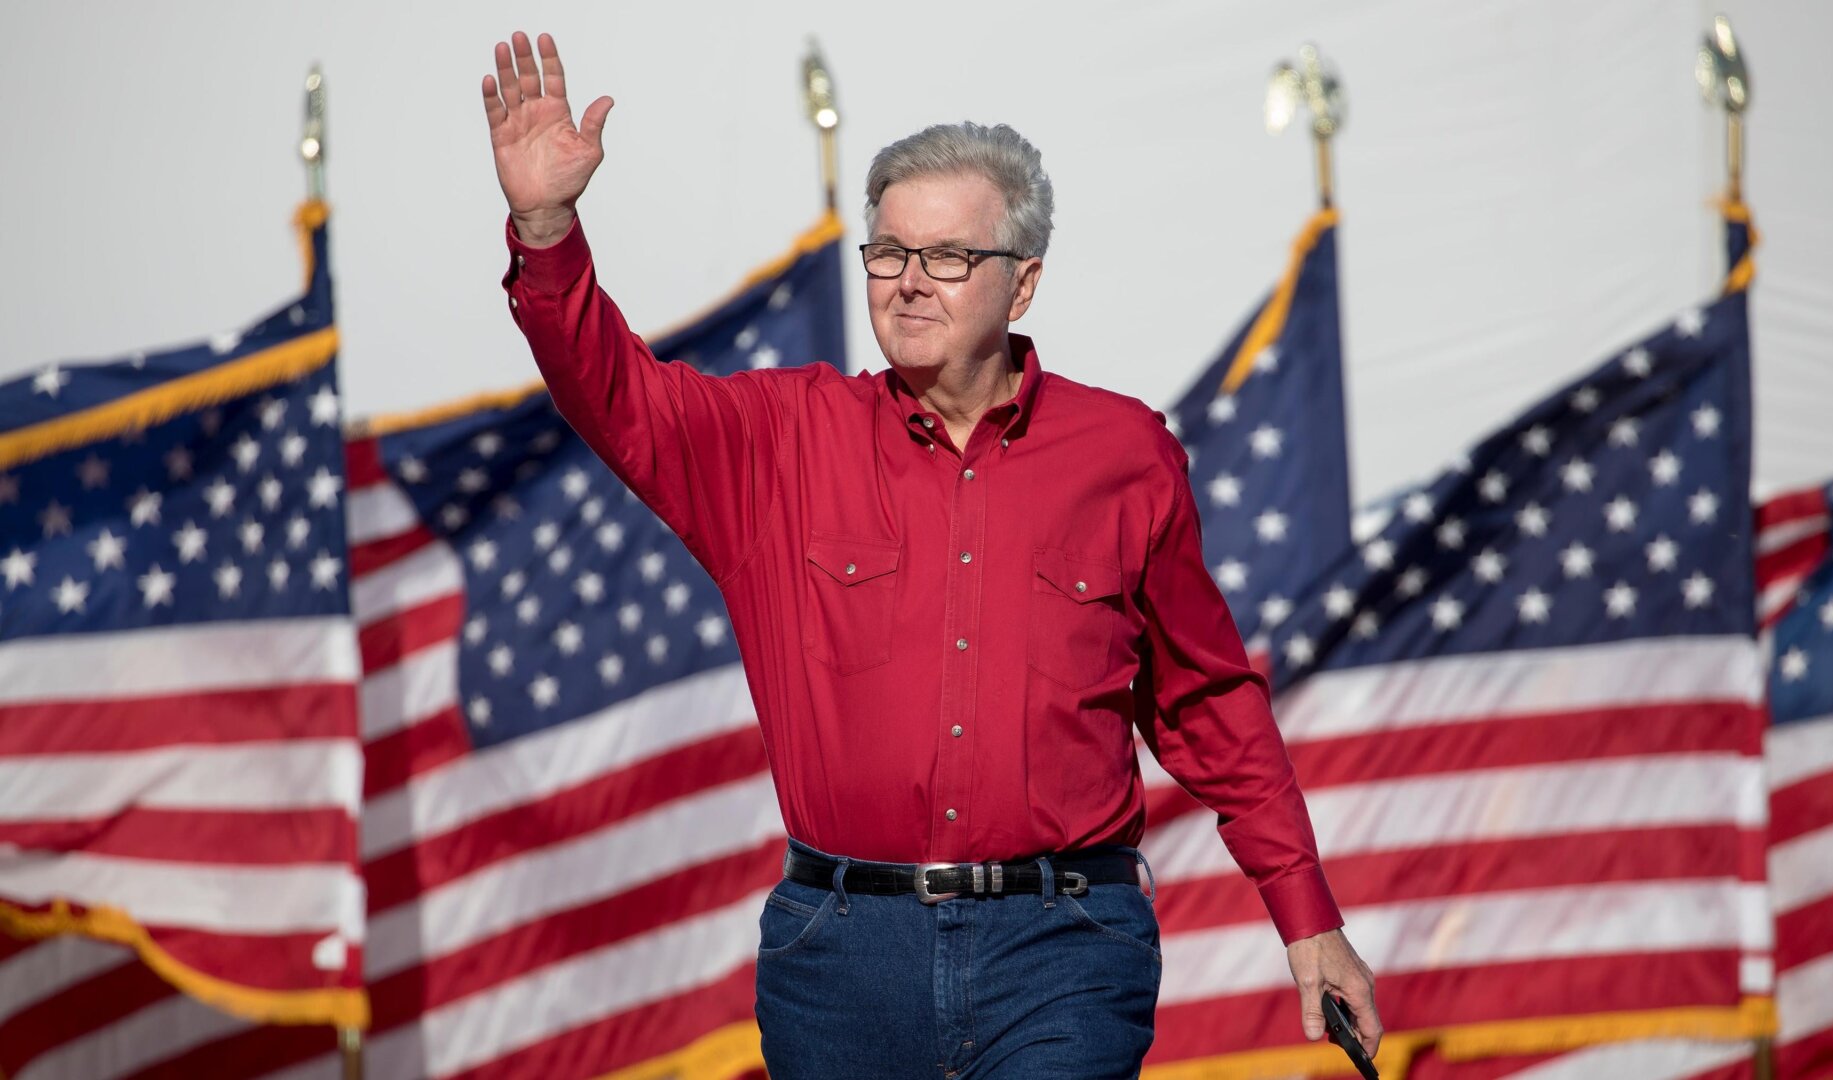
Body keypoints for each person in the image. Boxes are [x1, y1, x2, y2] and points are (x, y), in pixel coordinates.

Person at [481, 30, 1382, 1078]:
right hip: (839, 959)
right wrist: (546, 228)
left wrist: (1307, 917)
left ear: (1023, 284)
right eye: (889, 253)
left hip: (1063, 949)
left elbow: (1207, 702)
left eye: (948, 257)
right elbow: (614, 392)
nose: (909, 282)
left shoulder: (1126, 454)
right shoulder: (779, 440)